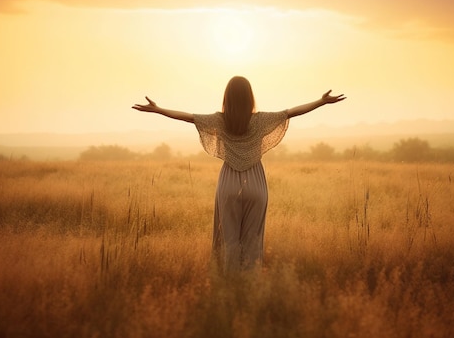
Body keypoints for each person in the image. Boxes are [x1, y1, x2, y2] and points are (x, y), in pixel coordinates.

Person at [133, 76, 346, 273]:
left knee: (228, 240)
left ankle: (229, 284)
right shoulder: (260, 120)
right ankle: (249, 283)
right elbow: (291, 112)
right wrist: (321, 101)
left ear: (227, 98)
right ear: (250, 98)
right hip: (256, 182)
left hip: (228, 183)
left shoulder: (218, 120)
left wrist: (159, 110)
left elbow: (187, 117)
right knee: (253, 239)